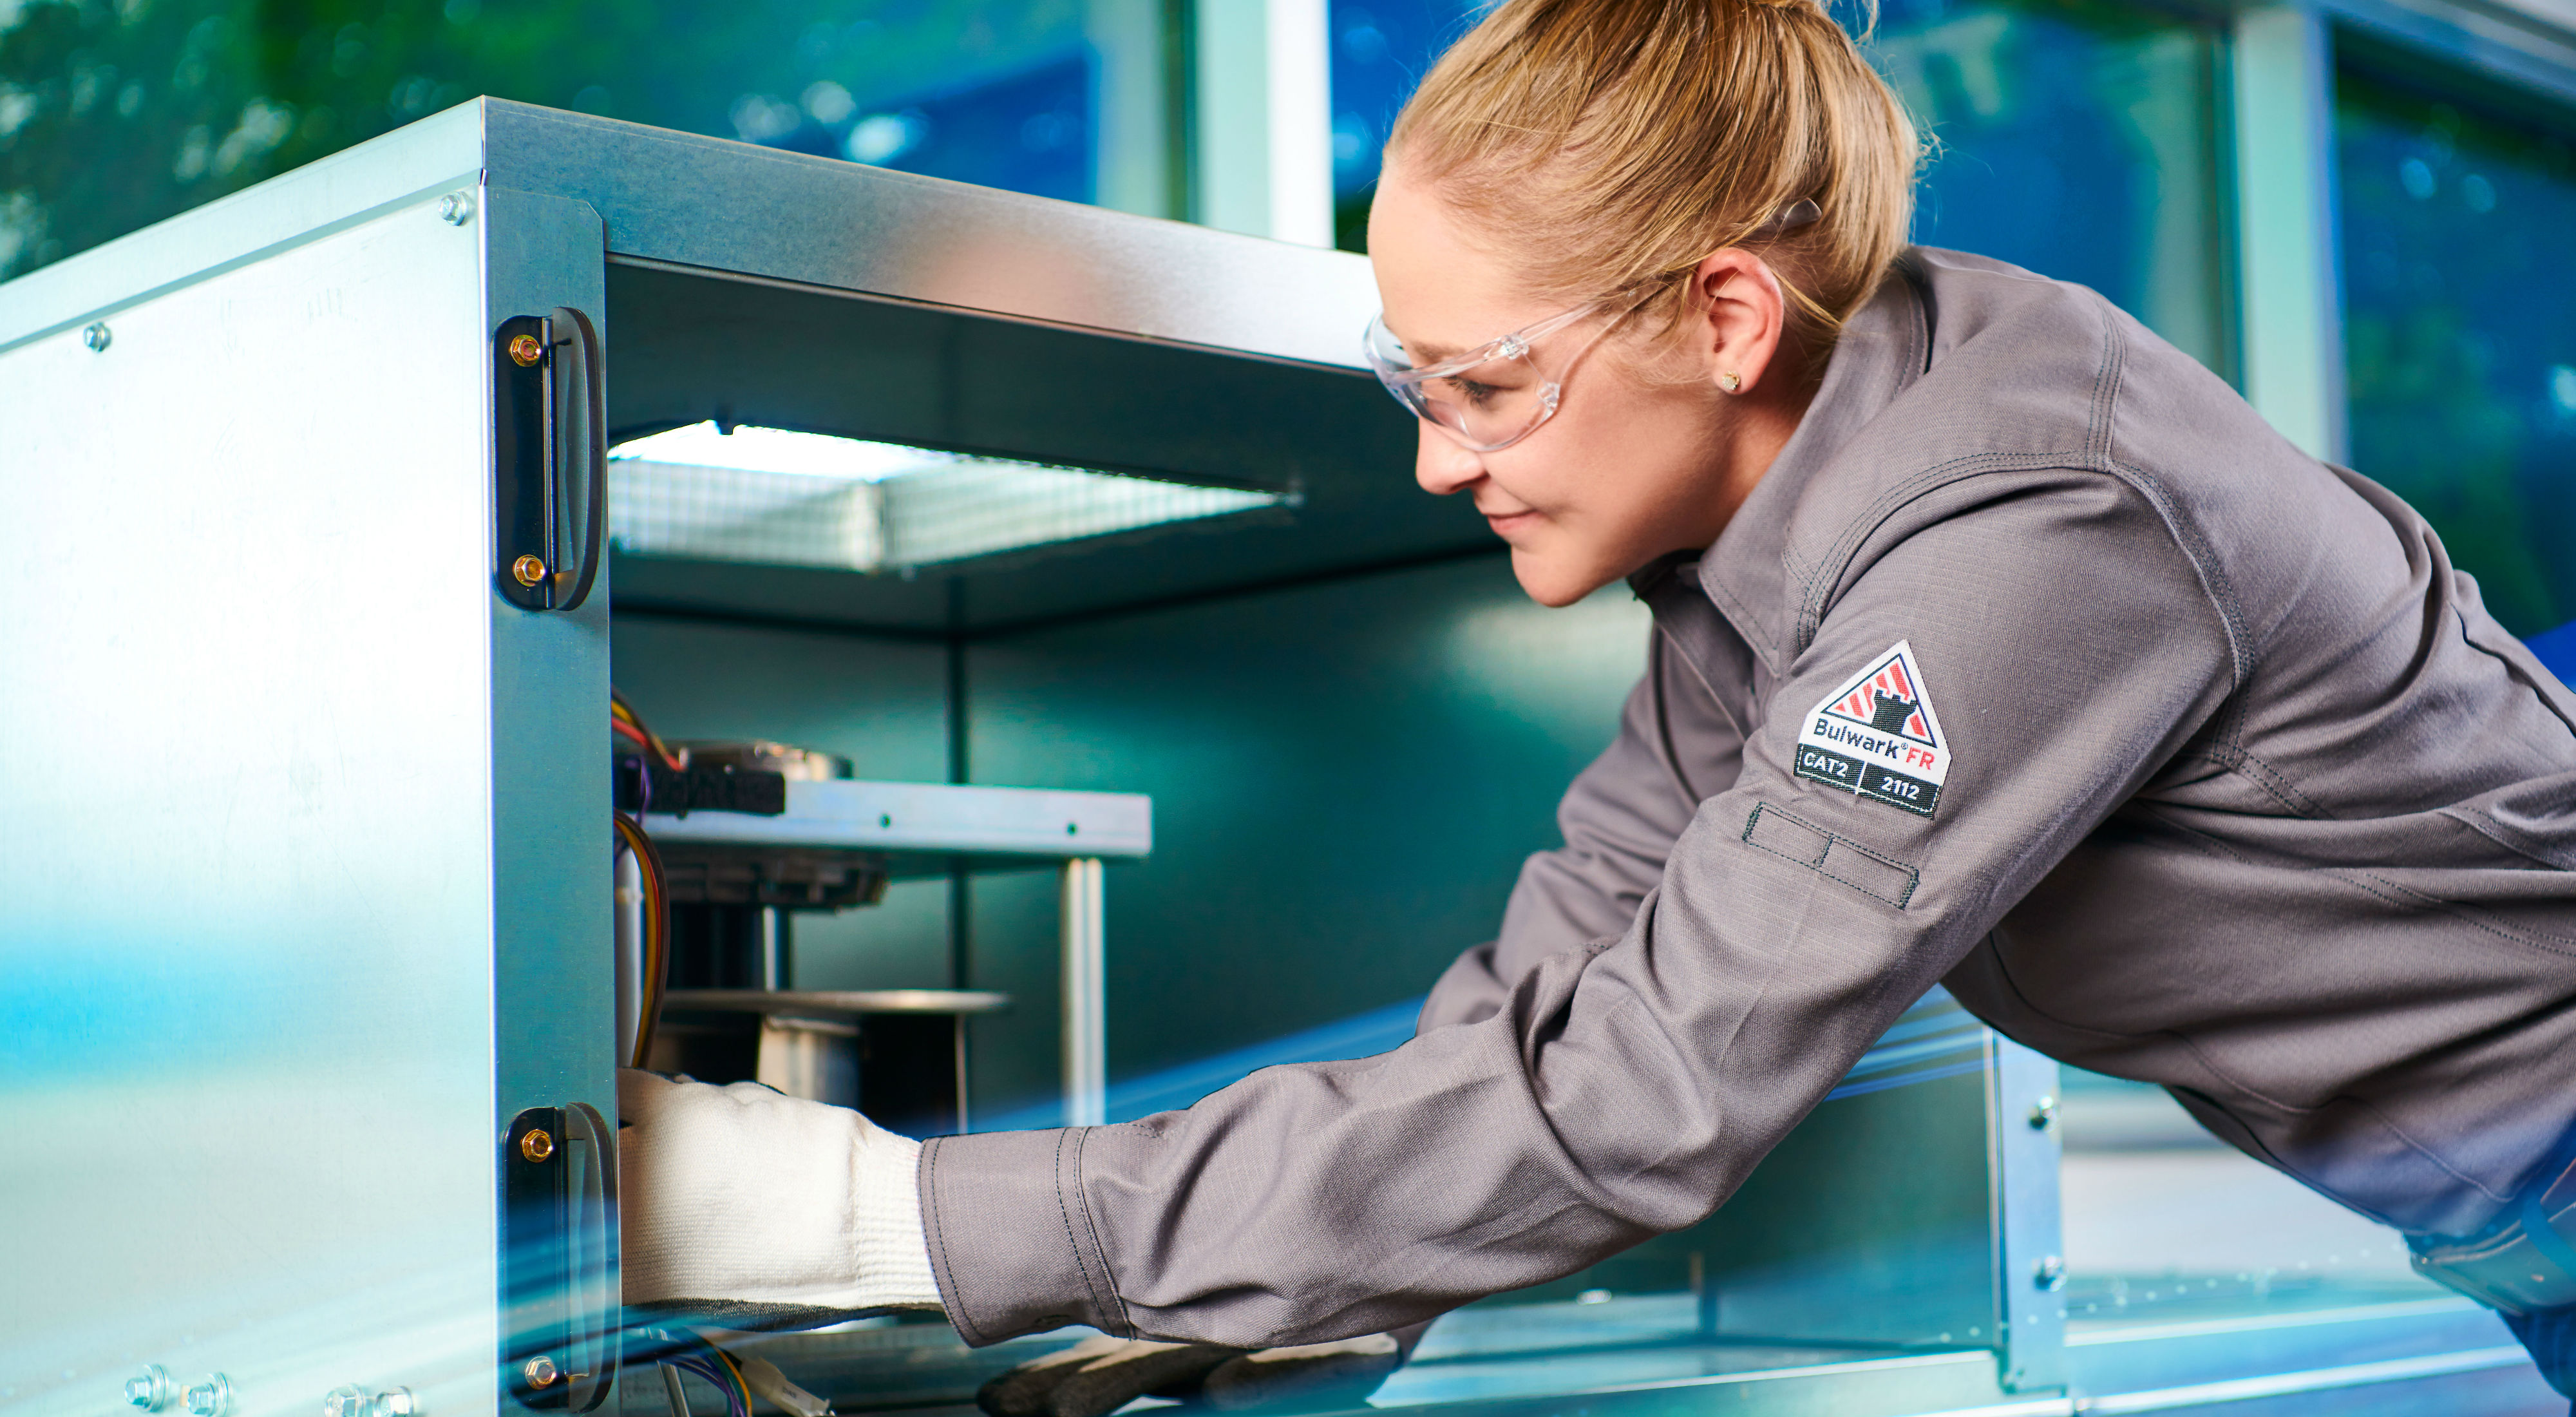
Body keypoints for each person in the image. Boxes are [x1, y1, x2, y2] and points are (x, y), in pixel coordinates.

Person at [616, 0, 2576, 1408]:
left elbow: (1645, 1099)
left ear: (1721, 316)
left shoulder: (2018, 525)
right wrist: (1320, 1284)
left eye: (1483, 388)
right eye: (1416, 387)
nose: (1436, 462)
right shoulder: (1757, 550)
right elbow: (1563, 987)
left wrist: (873, 1215)